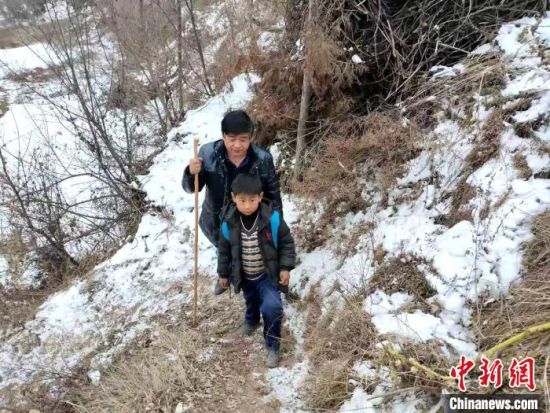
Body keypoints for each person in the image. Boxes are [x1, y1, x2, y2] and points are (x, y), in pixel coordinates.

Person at [217, 173, 295, 368]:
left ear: (260, 197)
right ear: (234, 198)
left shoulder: (272, 219)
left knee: (272, 307)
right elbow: (224, 251)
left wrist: (285, 267)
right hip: (244, 274)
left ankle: (273, 346)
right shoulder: (229, 222)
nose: (247, 205)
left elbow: (286, 243)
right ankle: (251, 321)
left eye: (252, 200)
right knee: (251, 300)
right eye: (242, 200)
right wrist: (223, 274)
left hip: (267, 275)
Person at [181, 109, 282, 248]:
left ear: (250, 138)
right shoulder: (208, 154)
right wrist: (191, 173)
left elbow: (274, 197)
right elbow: (191, 188)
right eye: (232, 139)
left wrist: (277, 229)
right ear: (223, 136)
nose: (237, 145)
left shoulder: (263, 160)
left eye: (243, 139)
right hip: (216, 223)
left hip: (251, 223)